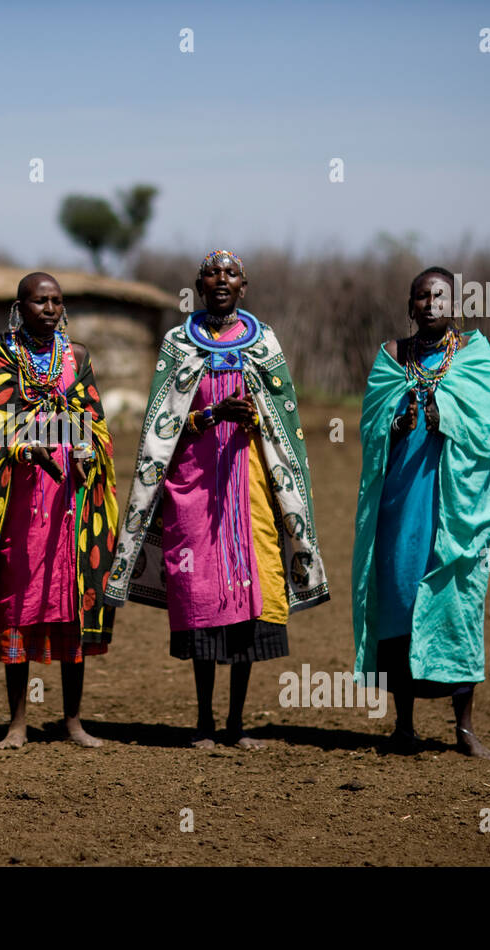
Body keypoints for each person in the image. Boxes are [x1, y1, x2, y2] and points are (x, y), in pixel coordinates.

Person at [107, 251, 329, 748]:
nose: (221, 280)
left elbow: (283, 424)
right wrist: (211, 416)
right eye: (212, 273)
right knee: (201, 595)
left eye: (231, 274)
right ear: (199, 285)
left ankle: (236, 725)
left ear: (244, 286)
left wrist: (254, 420)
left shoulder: (264, 342)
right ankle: (204, 723)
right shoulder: (178, 343)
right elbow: (160, 431)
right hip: (194, 490)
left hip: (251, 490)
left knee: (250, 598)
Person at [351, 267, 490, 759]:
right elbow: (370, 428)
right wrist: (398, 423)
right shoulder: (392, 357)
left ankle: (464, 727)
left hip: (455, 504)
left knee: (458, 598)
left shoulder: (476, 358)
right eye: (422, 296)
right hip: (402, 501)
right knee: (400, 597)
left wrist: (445, 417)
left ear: (454, 303)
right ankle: (404, 724)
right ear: (410, 305)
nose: (432, 303)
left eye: (441, 295)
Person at [0, 272, 117, 749]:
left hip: (71, 495)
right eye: (38, 301)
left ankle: (72, 721)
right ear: (19, 306)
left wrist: (90, 449)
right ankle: (16, 724)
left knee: (72, 599)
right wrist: (26, 448)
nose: (48, 309)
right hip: (19, 496)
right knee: (19, 602)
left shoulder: (79, 356)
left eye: (56, 301)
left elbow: (95, 420)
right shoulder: (2, 354)